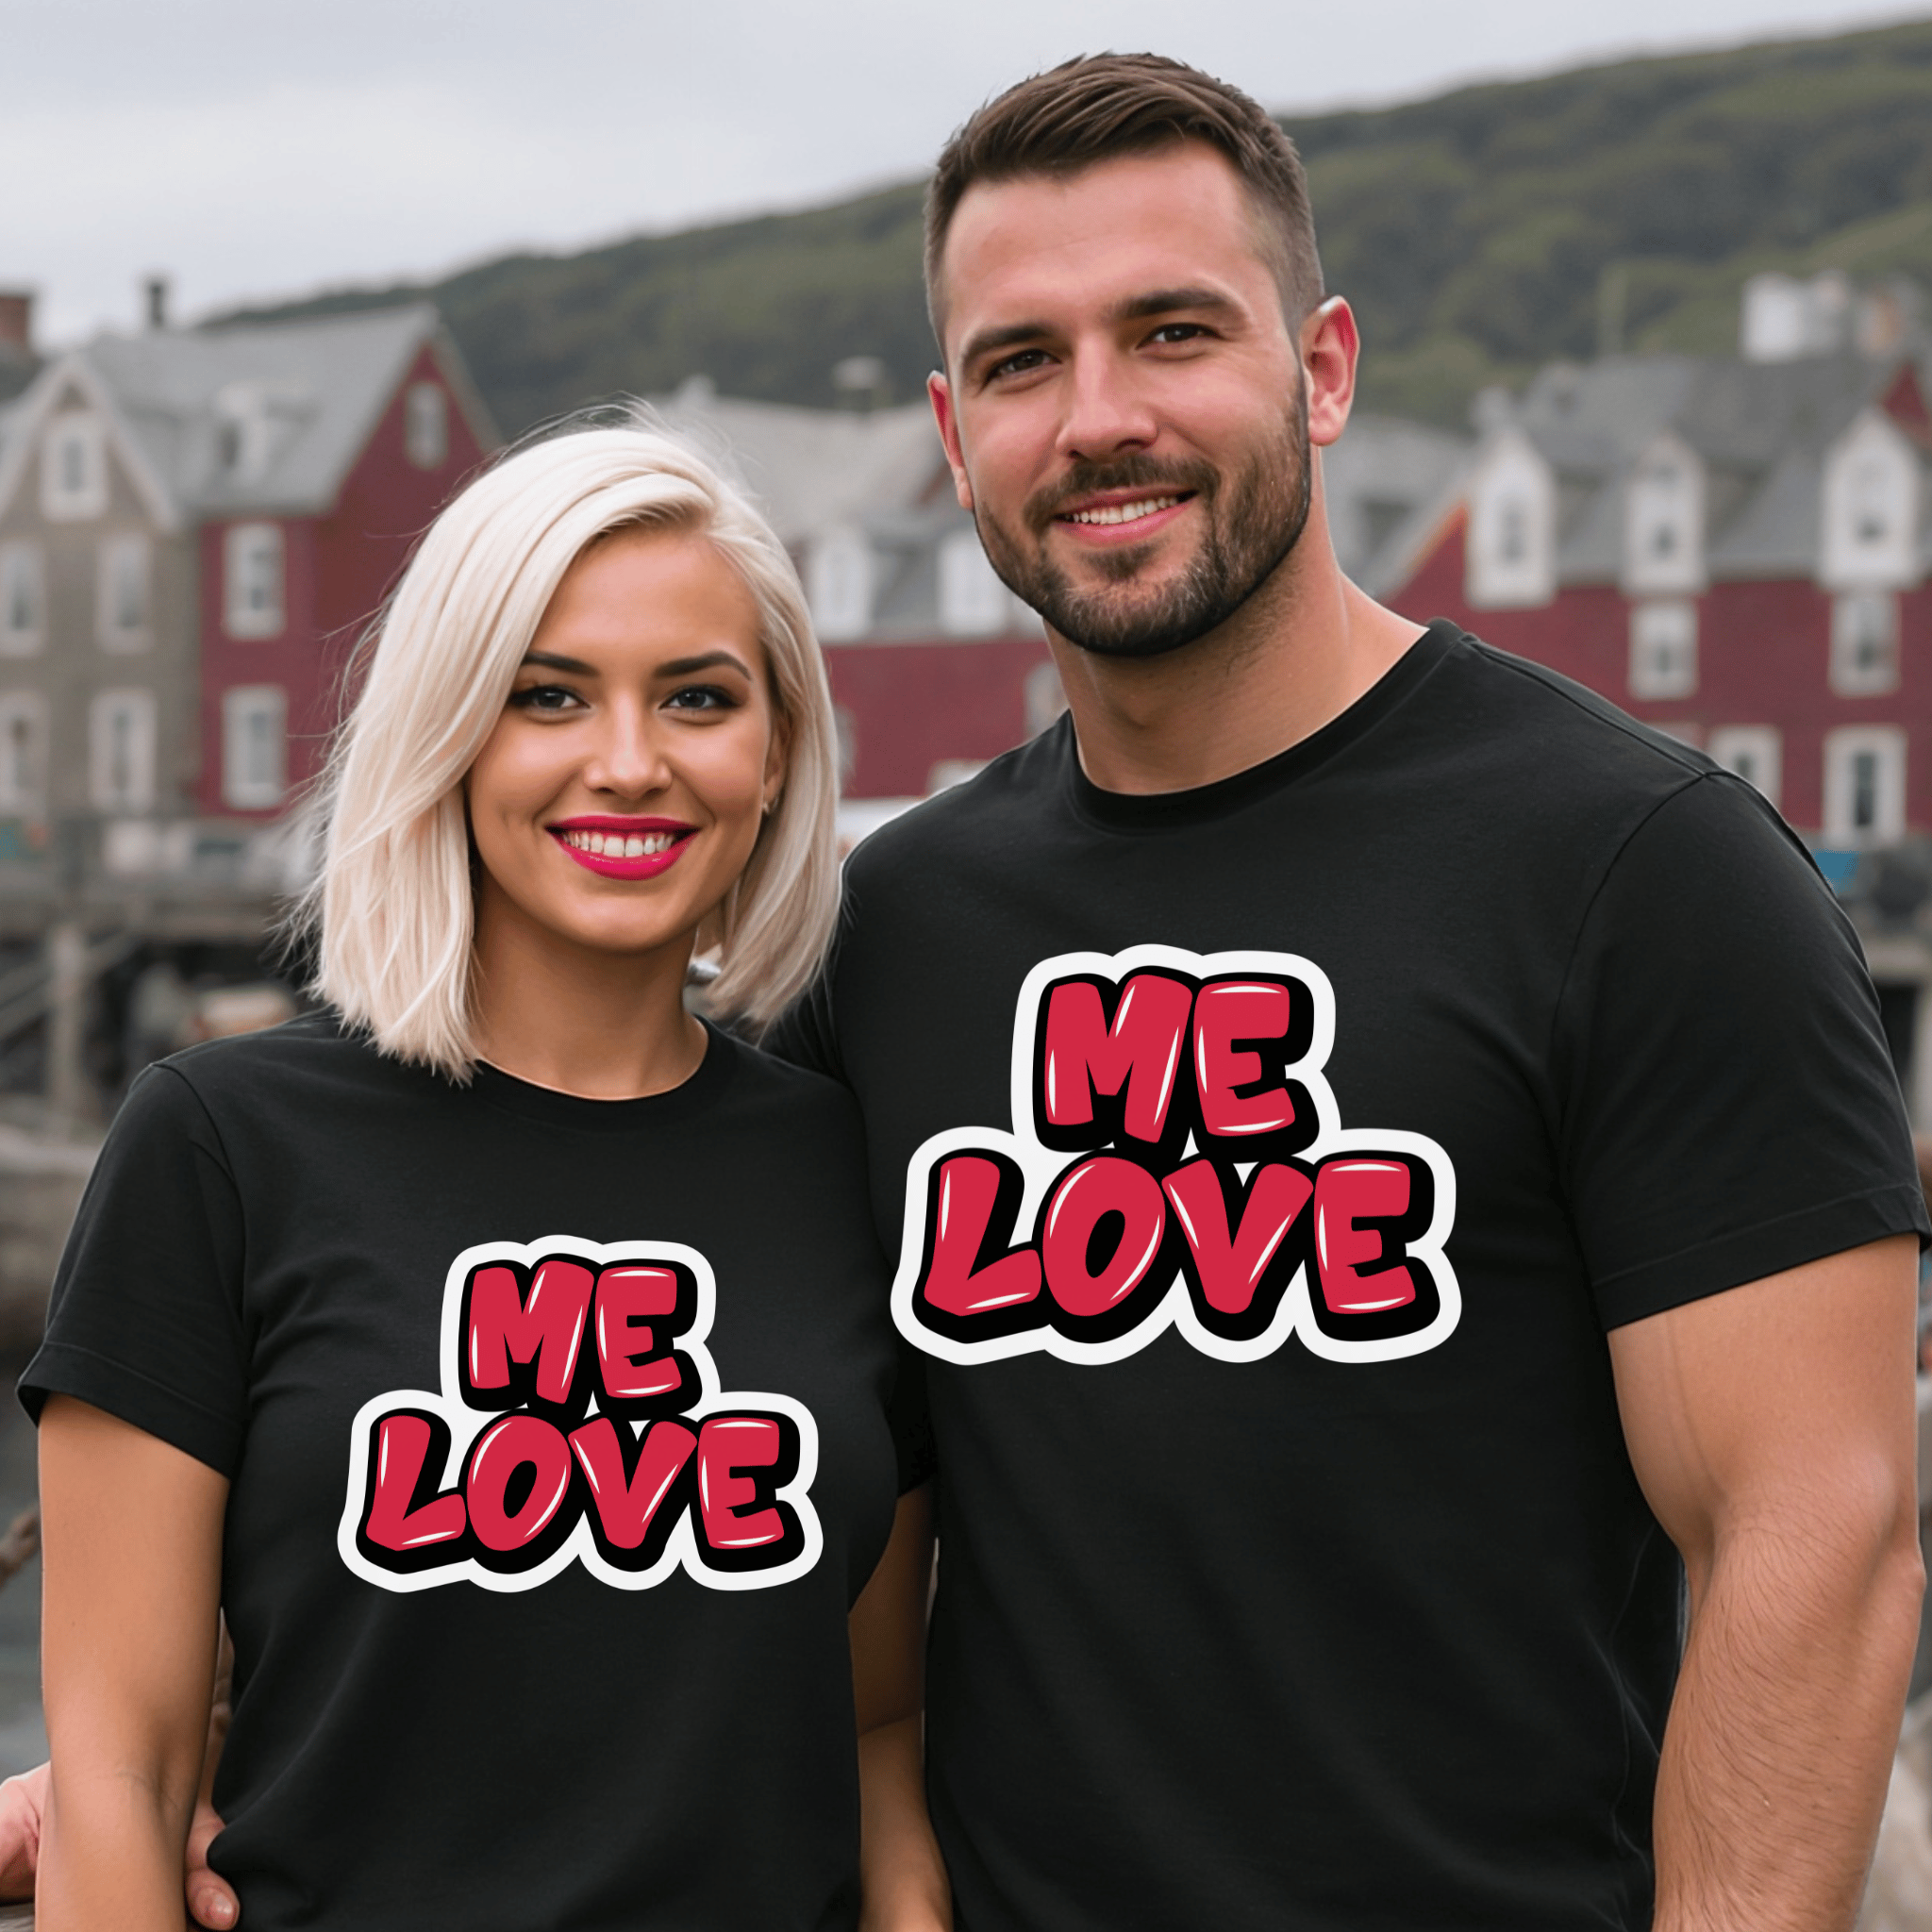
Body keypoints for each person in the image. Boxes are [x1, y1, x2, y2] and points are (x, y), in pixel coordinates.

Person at [758, 53, 1926, 1932]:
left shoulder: (1644, 871)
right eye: (1020, 361)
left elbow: (1818, 1538)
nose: (1098, 418)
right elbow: (809, 1580)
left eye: (1169, 332)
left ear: (1320, 370)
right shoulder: (886, 937)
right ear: (952, 433)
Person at [16, 420, 950, 1930]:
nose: (630, 761)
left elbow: (875, 1720)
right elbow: (116, 1776)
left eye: (699, 698)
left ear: (776, 752)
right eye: (548, 695)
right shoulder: (221, 1145)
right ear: (447, 728)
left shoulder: (845, 1163)